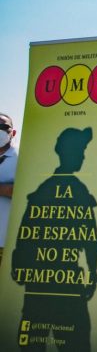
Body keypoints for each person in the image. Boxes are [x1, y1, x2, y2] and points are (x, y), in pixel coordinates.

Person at [12, 127, 97, 350]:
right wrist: (92, 271)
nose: (81, 156)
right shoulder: (73, 191)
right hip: (51, 284)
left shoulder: (46, 189)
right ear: (65, 153)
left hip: (53, 283)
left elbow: (90, 238)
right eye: (79, 151)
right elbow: (26, 233)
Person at [0, 113, 17, 265]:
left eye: (3, 127)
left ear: (13, 132)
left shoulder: (24, 159)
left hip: (6, 243)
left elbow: (27, 190)